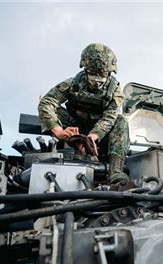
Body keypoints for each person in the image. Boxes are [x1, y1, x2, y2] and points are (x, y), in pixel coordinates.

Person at [38, 43, 129, 184]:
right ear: (85, 69)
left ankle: (115, 170)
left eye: (102, 74)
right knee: (53, 109)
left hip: (100, 135)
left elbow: (109, 118)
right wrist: (59, 131)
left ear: (109, 72)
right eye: (93, 73)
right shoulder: (72, 85)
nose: (97, 78)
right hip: (74, 128)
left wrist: (92, 137)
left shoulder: (115, 92)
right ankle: (75, 150)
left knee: (121, 120)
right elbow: (47, 102)